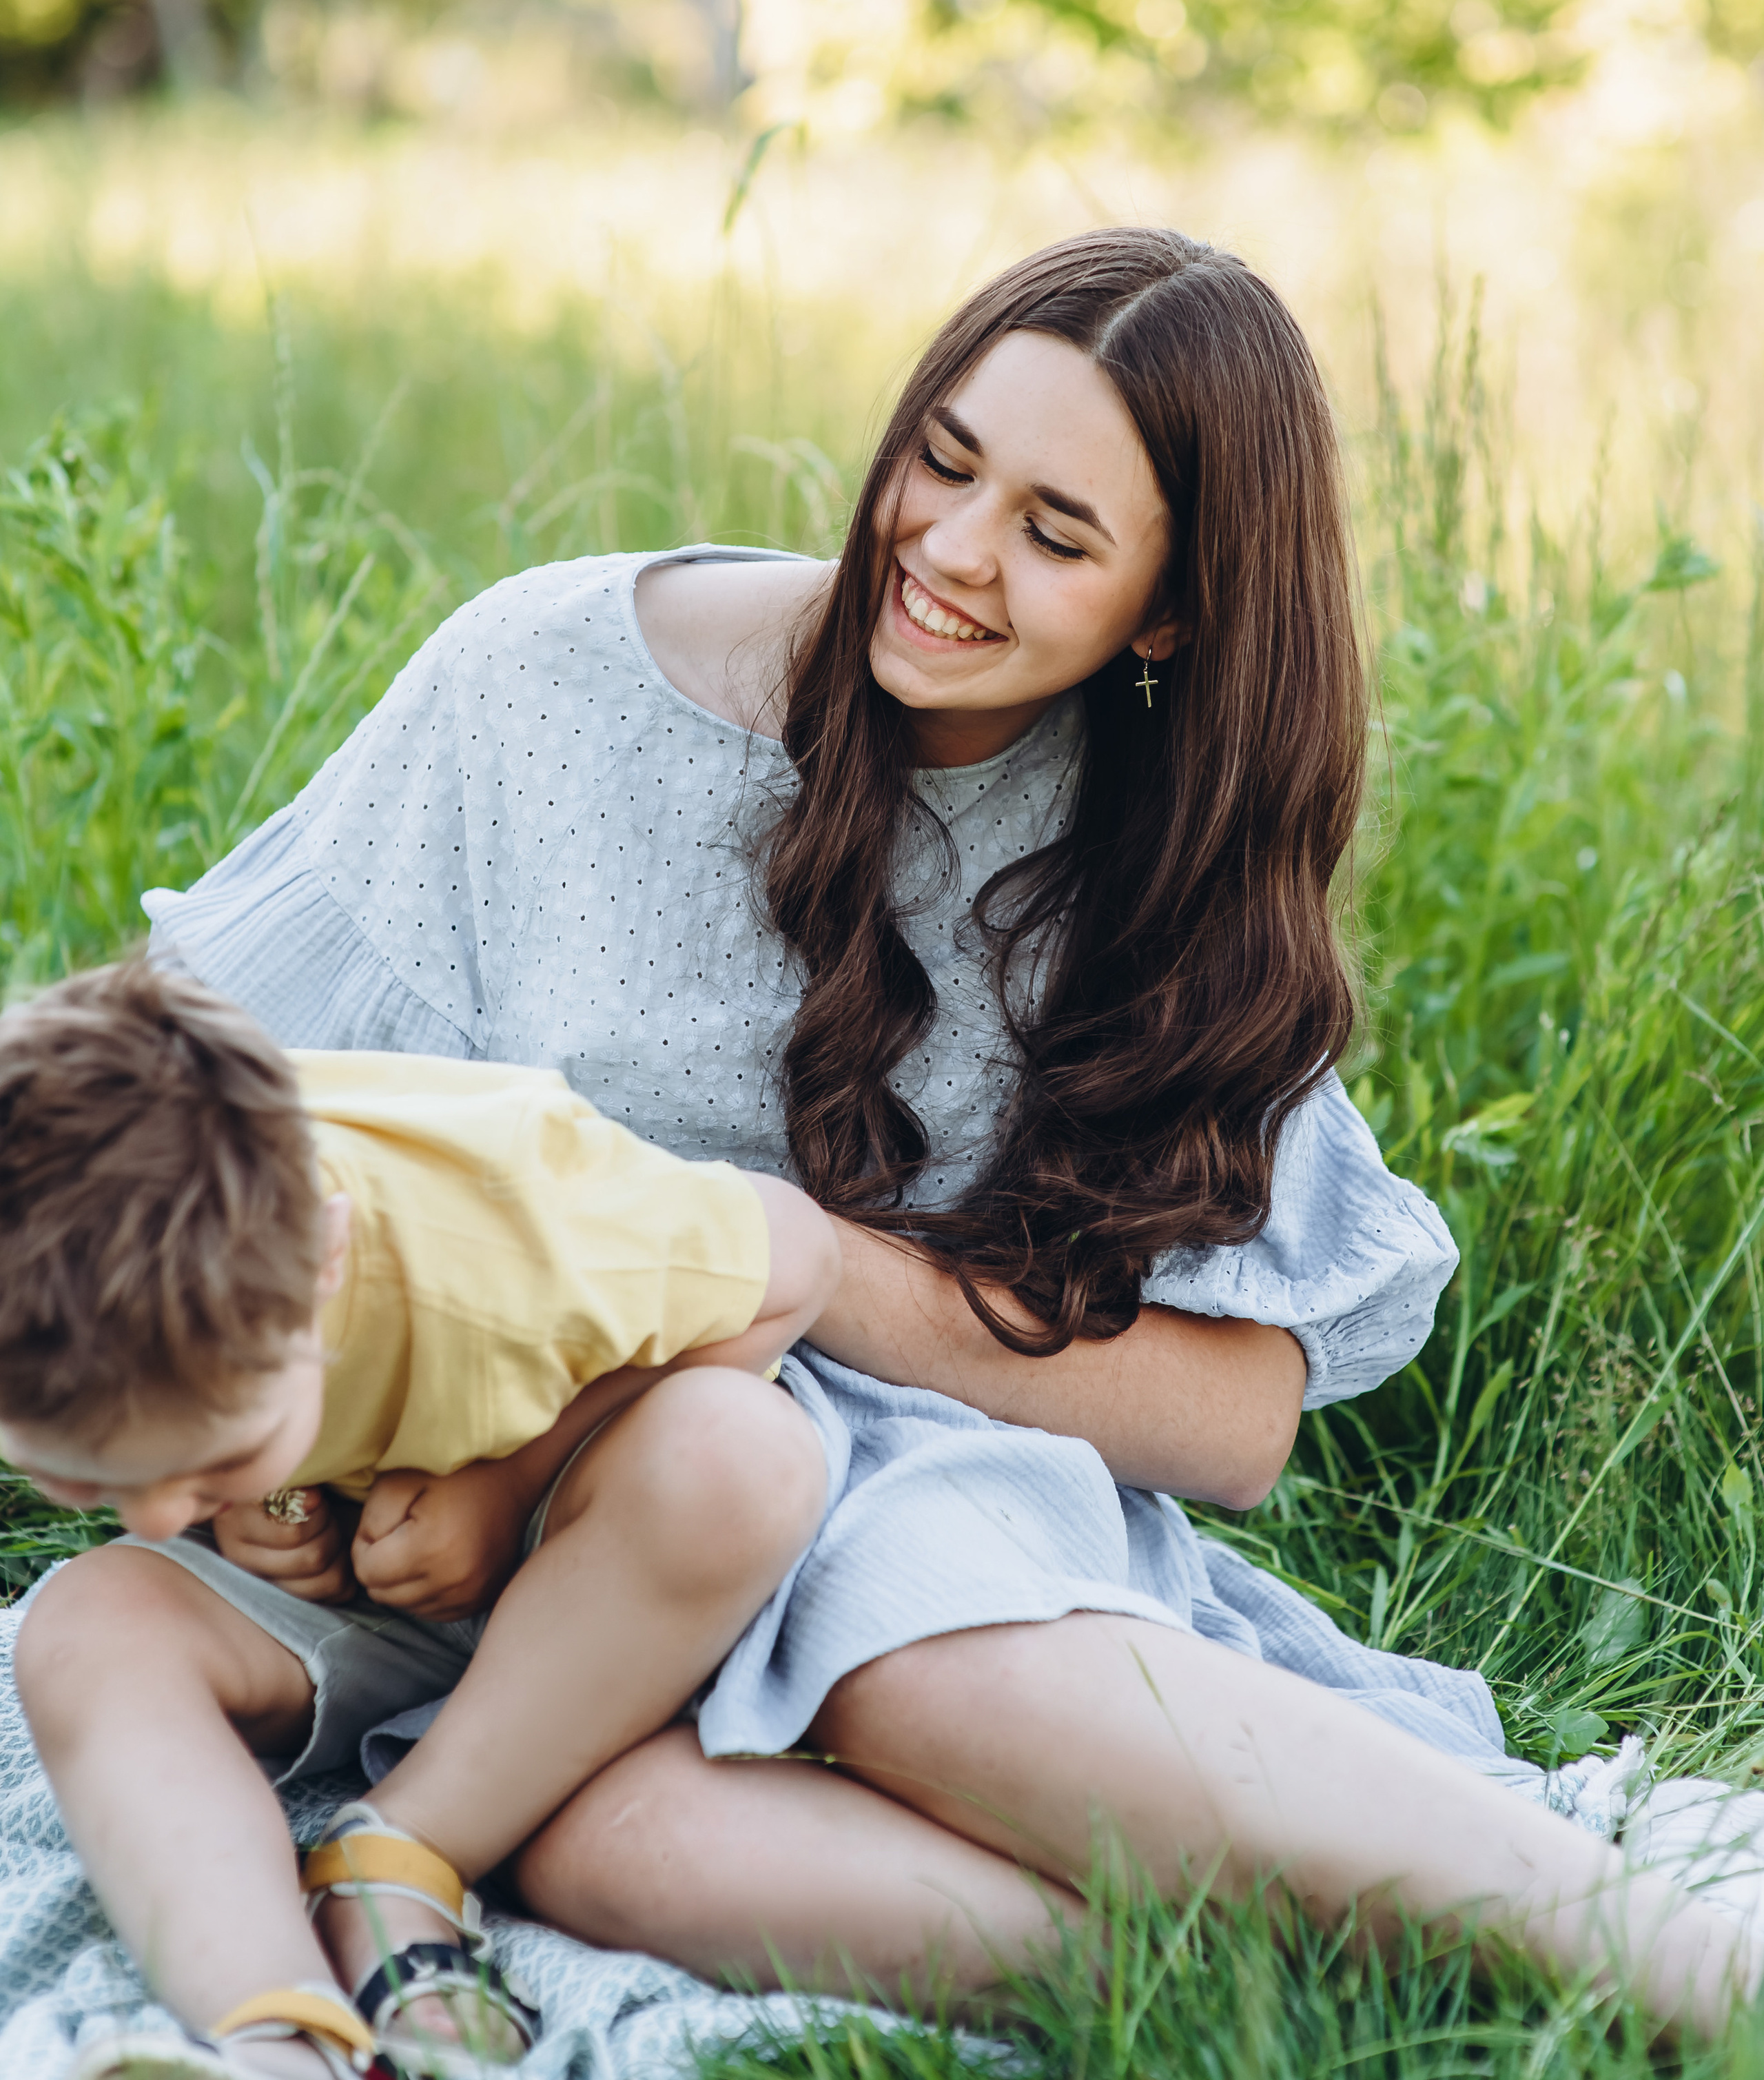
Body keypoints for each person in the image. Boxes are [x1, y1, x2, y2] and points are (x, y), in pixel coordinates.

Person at [143, 227, 1759, 2032]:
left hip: (918, 1482)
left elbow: (1236, 1422)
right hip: (539, 1529)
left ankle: (1662, 1974)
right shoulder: (541, 689)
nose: (954, 552)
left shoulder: (1157, 854)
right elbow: (234, 1132)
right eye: (946, 460)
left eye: (1058, 533)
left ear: (1169, 610)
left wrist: (812, 1265)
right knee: (607, 1845)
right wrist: (281, 1467)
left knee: (884, 1655)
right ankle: (1320, 1988)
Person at [1, 959, 837, 2079]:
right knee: (83, 1626)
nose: (149, 1517)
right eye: (94, 1482)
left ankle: (401, 1849)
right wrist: (247, 1499)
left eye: (215, 1455)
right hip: (361, 1597)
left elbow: (797, 1257)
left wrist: (507, 1487)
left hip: (588, 1592)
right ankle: (269, 2021)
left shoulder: (511, 1222)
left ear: (326, 1259)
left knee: (740, 1456)